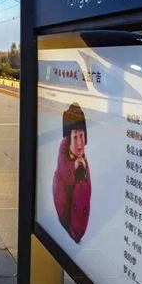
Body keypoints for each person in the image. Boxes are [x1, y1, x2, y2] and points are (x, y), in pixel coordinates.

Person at [52, 103, 92, 244]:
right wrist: (73, 167)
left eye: (82, 136)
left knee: (81, 188)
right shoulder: (63, 153)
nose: (80, 144)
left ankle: (77, 230)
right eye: (75, 137)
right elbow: (62, 171)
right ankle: (74, 229)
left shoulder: (83, 159)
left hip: (77, 219)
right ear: (68, 139)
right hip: (64, 205)